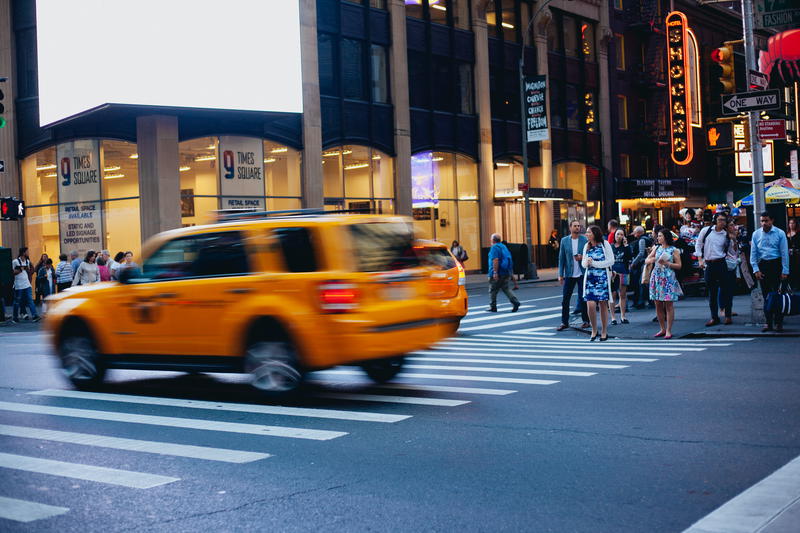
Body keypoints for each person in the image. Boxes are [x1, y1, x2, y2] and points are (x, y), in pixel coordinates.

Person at [751, 212, 790, 332]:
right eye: (762, 221)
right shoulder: (756, 234)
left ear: (772, 221)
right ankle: (768, 323)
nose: (764, 223)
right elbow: (753, 253)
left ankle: (778, 322)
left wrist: (785, 270)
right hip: (763, 265)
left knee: (778, 295)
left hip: (777, 265)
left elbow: (784, 253)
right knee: (766, 296)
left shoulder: (780, 233)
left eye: (766, 221)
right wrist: (756, 269)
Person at [695, 212, 734, 326]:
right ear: (715, 220)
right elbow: (698, 244)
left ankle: (728, 315)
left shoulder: (726, 234)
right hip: (709, 264)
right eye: (720, 220)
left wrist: (734, 240)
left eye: (724, 220)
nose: (722, 222)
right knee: (712, 292)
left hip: (721, 263)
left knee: (726, 290)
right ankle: (714, 317)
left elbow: (732, 251)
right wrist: (700, 259)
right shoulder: (706, 231)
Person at [646, 228, 682, 339]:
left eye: (660, 236)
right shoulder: (656, 248)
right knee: (658, 304)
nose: (658, 238)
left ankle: (668, 330)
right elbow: (647, 260)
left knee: (669, 304)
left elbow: (679, 265)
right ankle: (662, 328)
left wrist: (667, 263)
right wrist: (652, 259)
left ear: (666, 237)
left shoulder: (674, 250)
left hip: (668, 277)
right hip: (656, 276)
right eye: (658, 236)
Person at [582, 225, 615, 341]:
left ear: (595, 233)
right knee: (590, 305)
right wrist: (587, 262)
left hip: (602, 279)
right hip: (590, 279)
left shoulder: (605, 244)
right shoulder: (587, 245)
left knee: (602, 305)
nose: (586, 234)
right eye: (586, 232)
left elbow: (611, 261)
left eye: (588, 232)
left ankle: (604, 331)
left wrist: (594, 263)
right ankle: (594, 329)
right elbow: (583, 264)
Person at [556, 220, 589, 331]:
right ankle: (564, 322)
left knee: (583, 297)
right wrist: (560, 274)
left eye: (578, 226)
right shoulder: (564, 241)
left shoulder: (584, 240)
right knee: (565, 299)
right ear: (570, 228)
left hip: (582, 273)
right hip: (569, 274)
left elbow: (589, 254)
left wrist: (582, 258)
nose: (577, 228)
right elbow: (561, 258)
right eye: (575, 226)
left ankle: (586, 321)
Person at [487, 233, 520, 313]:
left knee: (492, 289)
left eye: (491, 239)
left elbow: (495, 260)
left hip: (498, 272)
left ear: (493, 240)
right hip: (506, 272)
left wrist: (495, 272)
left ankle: (493, 307)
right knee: (506, 288)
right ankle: (515, 301)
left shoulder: (494, 247)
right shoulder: (503, 246)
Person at [609, 229, 632, 325]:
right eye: (617, 234)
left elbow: (630, 257)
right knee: (612, 295)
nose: (619, 236)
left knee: (622, 295)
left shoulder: (626, 247)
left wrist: (626, 245)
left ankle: (623, 316)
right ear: (614, 236)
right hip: (613, 273)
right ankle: (613, 317)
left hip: (624, 272)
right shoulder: (610, 247)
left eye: (621, 234)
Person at [11, 247, 40, 323]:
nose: (28, 253)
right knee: (17, 301)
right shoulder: (15, 261)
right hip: (18, 285)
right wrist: (21, 269)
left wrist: (29, 267)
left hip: (27, 284)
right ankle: (15, 317)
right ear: (23, 253)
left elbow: (31, 271)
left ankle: (34, 315)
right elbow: (13, 272)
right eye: (27, 252)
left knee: (30, 300)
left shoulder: (27, 261)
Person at [628, 226, 645, 309]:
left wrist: (634, 263)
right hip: (640, 264)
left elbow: (641, 253)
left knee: (639, 283)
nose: (633, 233)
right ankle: (639, 301)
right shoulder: (643, 239)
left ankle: (640, 301)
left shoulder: (642, 240)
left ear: (639, 233)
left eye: (635, 232)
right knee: (639, 283)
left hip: (640, 264)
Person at [788, 218, 800, 290]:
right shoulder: (787, 233)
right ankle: (791, 285)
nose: (791, 225)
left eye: (793, 223)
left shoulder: (798, 233)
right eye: (790, 223)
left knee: (797, 269)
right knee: (790, 269)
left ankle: (797, 285)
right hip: (789, 255)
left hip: (797, 255)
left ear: (796, 224)